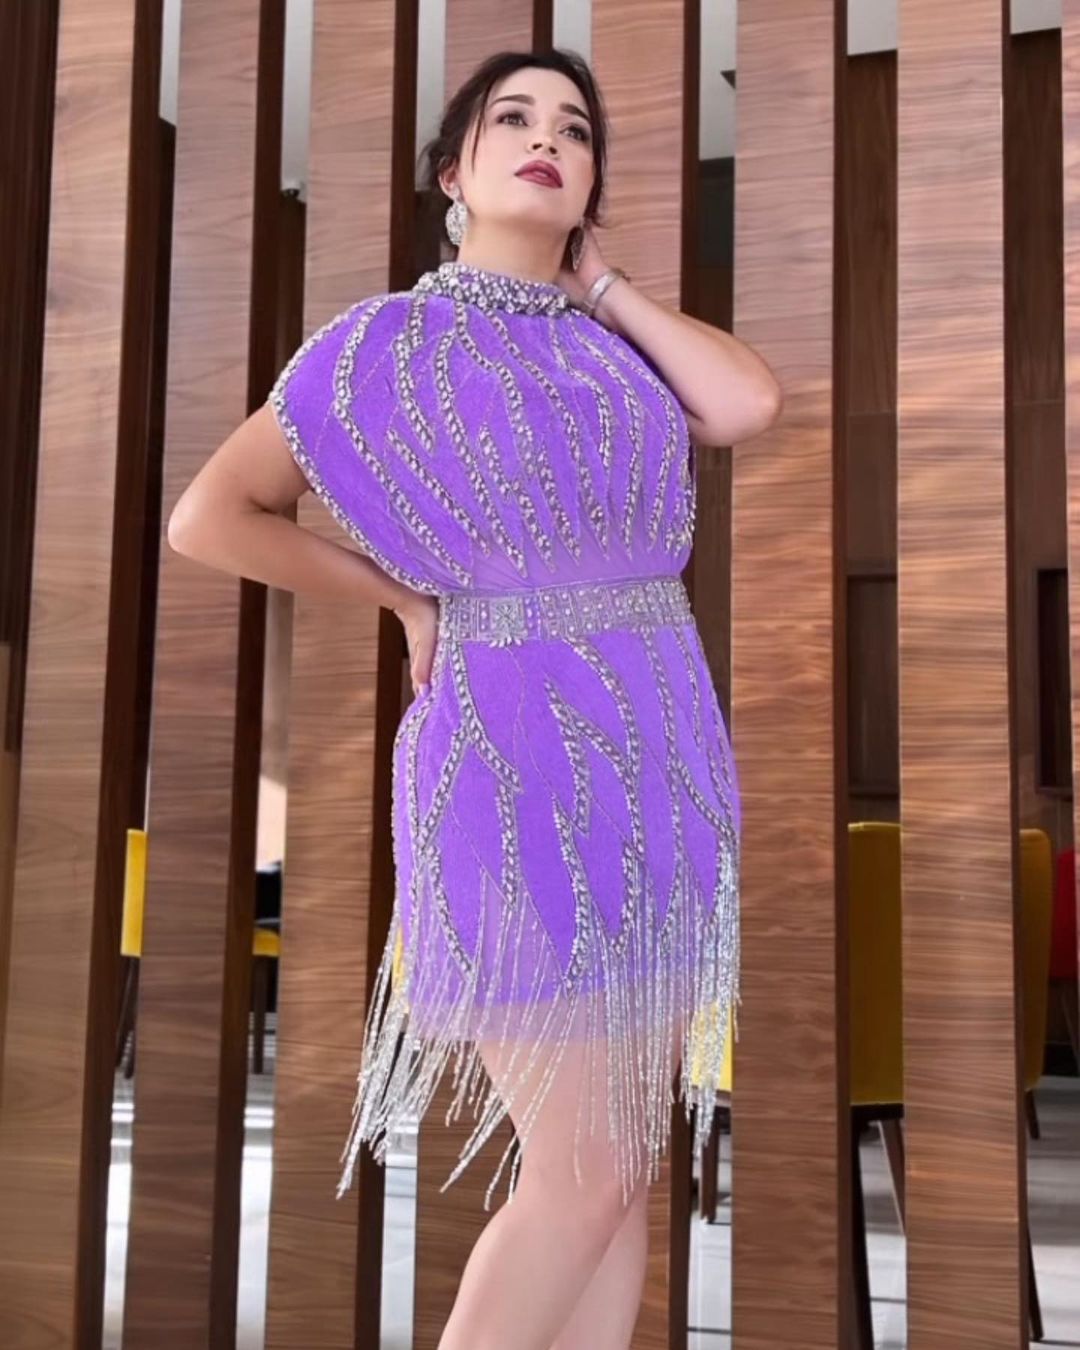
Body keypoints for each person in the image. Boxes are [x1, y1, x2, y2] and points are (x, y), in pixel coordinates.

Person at [168, 46, 781, 1350]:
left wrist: (601, 282)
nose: (548, 138)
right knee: (584, 1176)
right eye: (514, 118)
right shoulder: (379, 346)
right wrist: (404, 601)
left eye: (576, 128)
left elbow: (747, 402)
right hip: (509, 764)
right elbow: (209, 517)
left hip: (661, 765)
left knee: (621, 1173)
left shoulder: (622, 352)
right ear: (453, 171)